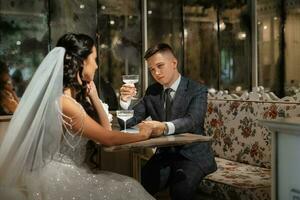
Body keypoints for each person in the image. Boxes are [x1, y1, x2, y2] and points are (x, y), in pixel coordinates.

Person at [0, 33, 155, 200]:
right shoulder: (65, 103)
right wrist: (143, 134)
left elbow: (105, 130)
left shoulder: (71, 100)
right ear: (82, 62)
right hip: (57, 179)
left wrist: (94, 96)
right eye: (94, 59)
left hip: (73, 171)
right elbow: (108, 138)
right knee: (130, 189)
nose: (96, 66)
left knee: (129, 185)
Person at [119, 43, 217, 200]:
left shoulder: (196, 89)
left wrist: (164, 127)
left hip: (192, 155)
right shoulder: (152, 92)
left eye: (160, 66)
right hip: (164, 155)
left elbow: (193, 121)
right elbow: (127, 123)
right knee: (136, 187)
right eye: (152, 69)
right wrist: (125, 102)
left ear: (174, 63)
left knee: (180, 192)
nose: (156, 73)